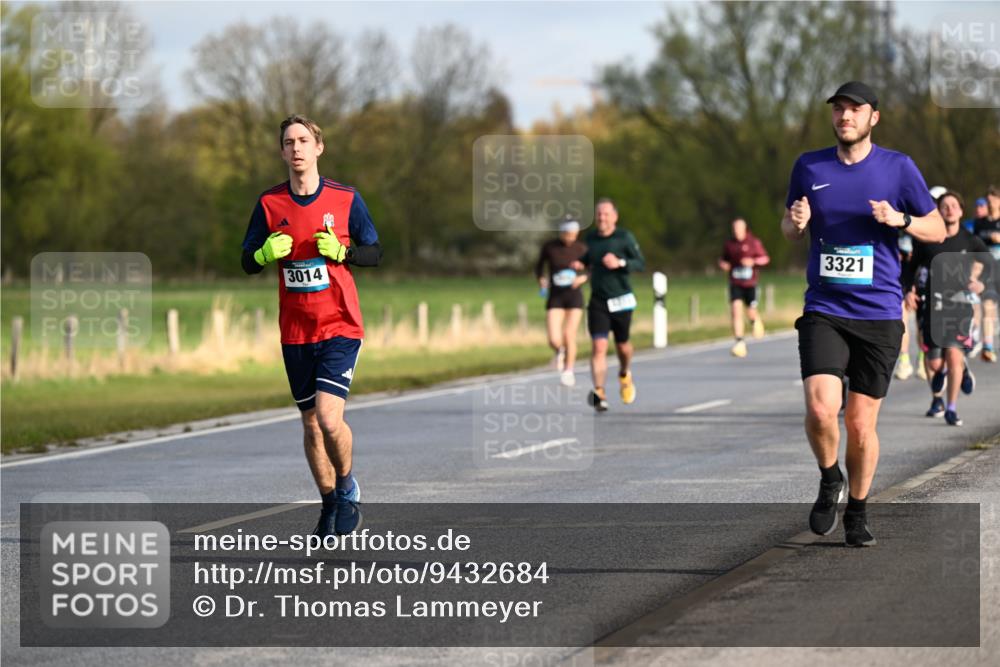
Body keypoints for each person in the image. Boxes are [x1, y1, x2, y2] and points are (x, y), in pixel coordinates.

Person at [781, 81, 945, 547]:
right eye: (839, 109)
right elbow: (789, 227)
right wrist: (795, 224)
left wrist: (902, 220)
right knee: (820, 409)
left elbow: (937, 228)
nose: (845, 116)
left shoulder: (898, 167)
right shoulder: (809, 166)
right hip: (825, 307)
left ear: (874, 117)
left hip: (878, 312)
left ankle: (857, 509)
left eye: (855, 109)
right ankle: (829, 477)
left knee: (859, 424)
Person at [240, 114, 382, 538]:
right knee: (309, 424)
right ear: (282, 152)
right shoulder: (269, 204)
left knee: (328, 419)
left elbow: (375, 251)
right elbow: (246, 260)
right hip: (295, 331)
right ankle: (328, 503)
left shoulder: (345, 198)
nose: (296, 148)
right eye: (289, 142)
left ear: (319, 147)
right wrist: (262, 254)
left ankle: (347, 487)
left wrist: (343, 252)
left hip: (340, 325)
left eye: (303, 140)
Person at [903, 191, 986, 425]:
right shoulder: (927, 240)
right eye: (944, 206)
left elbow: (990, 264)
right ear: (938, 212)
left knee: (953, 353)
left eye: (954, 206)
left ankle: (951, 408)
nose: (949, 209)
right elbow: (910, 269)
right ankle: (953, 370)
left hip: (960, 306)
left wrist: (980, 282)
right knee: (934, 364)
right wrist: (908, 291)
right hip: (932, 305)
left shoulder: (970, 240)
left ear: (961, 211)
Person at [572, 198, 645, 411]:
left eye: (606, 214)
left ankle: (624, 373)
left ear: (615, 216)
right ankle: (600, 392)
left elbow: (640, 263)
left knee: (623, 346)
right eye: (598, 214)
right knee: (599, 346)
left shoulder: (624, 237)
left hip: (621, 298)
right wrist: (580, 264)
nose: (601, 218)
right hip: (598, 300)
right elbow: (589, 260)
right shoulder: (591, 238)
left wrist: (620, 262)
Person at [535, 217, 588, 386]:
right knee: (553, 338)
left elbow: (592, 269)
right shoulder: (550, 247)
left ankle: (568, 371)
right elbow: (539, 266)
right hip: (556, 296)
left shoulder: (581, 248)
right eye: (568, 234)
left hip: (574, 295)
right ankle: (560, 350)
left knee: (569, 334)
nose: (571, 237)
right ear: (562, 232)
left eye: (574, 234)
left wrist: (583, 278)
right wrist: (541, 279)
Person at [719, 218, 770, 357]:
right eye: (734, 229)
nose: (736, 231)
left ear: (744, 229)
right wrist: (724, 265)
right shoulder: (729, 244)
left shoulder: (753, 242)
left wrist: (752, 261)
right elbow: (724, 260)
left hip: (750, 283)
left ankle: (755, 321)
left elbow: (765, 259)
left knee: (751, 311)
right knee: (736, 310)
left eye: (739, 229)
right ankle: (739, 342)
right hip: (735, 282)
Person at [973, 185, 1000, 362]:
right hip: (988, 270)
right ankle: (988, 346)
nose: (990, 204)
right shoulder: (980, 223)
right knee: (987, 306)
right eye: (988, 201)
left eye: (994, 200)